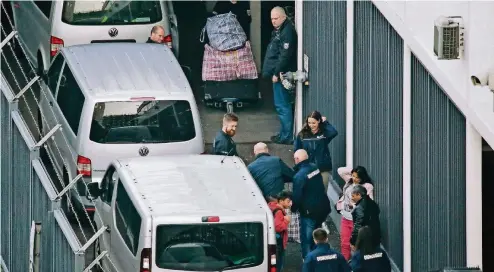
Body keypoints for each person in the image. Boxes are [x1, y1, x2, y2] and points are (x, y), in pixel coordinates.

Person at [263, 6, 297, 145]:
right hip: (280, 73)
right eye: (271, 18)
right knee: (281, 105)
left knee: (282, 106)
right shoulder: (280, 30)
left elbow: (285, 55)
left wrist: (277, 73)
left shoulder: (287, 32)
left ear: (283, 17)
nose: (273, 21)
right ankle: (283, 134)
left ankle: (286, 136)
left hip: (282, 75)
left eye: (276, 18)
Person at [291, 149, 331, 259]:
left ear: (297, 159)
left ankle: (308, 261)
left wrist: (293, 209)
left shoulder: (299, 176)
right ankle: (319, 257)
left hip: (309, 211)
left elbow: (297, 196)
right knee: (318, 235)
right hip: (322, 207)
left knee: (307, 239)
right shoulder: (314, 167)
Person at [336, 166, 375, 261]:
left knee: (357, 245)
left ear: (362, 177)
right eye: (353, 176)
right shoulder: (350, 182)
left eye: (357, 177)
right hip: (345, 217)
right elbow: (340, 171)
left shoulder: (367, 186)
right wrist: (354, 171)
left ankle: (357, 265)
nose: (355, 179)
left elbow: (369, 202)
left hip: (357, 220)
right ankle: (345, 265)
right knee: (344, 243)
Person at [294, 111, 338, 193]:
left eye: (313, 123)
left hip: (322, 168)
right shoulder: (302, 135)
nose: (311, 125)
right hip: (308, 169)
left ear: (319, 121)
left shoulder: (324, 133)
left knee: (322, 192)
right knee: (309, 192)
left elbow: (334, 132)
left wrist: (325, 122)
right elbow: (297, 151)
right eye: (309, 122)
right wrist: (298, 168)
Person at [350, 185, 381, 250]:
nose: (351, 198)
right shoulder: (372, 203)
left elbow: (358, 225)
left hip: (364, 238)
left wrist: (353, 241)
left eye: (353, 196)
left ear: (359, 195)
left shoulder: (359, 208)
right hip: (375, 236)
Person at [267, 191, 292, 271]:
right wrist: (286, 221)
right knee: (278, 262)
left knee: (273, 261)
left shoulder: (272, 207)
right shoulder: (279, 212)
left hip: (273, 240)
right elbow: (277, 227)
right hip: (279, 243)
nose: (290, 204)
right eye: (288, 201)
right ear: (281, 201)